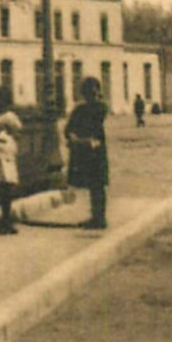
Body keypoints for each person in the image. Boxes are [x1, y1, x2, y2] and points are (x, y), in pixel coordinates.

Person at [65, 77, 110, 229]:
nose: (91, 94)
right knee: (94, 185)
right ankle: (96, 217)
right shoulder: (80, 109)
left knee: (97, 185)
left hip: (95, 151)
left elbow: (100, 115)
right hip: (86, 150)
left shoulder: (98, 108)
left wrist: (76, 138)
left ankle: (99, 217)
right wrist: (74, 138)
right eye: (89, 91)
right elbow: (68, 129)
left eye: (93, 91)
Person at [0, 86, 23, 235]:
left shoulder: (10, 116)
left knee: (7, 190)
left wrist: (8, 128)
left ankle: (6, 220)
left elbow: (18, 129)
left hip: (7, 156)